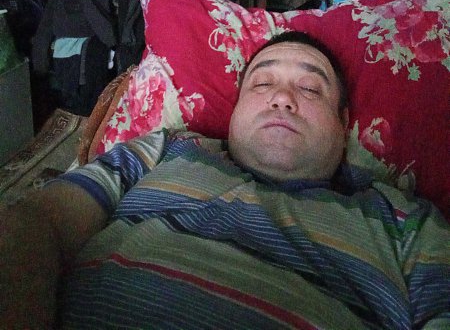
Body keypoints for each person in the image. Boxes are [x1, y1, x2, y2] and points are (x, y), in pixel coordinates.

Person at [1, 32, 449, 329]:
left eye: (311, 89)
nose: (281, 98)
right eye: (261, 84)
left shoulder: (406, 222)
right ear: (235, 110)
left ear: (343, 122)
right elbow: (41, 223)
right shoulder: (166, 148)